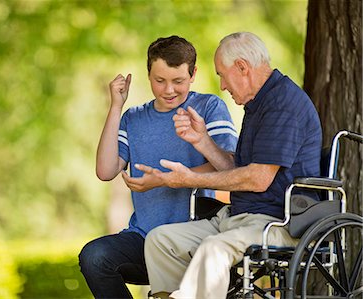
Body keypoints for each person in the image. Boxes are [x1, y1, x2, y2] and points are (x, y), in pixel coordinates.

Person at [122, 32, 322, 298]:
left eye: (222, 75)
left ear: (242, 67)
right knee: (160, 240)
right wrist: (203, 141)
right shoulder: (257, 104)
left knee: (214, 249)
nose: (223, 85)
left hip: (279, 223)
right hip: (238, 217)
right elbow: (236, 169)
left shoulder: (282, 104)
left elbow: (257, 179)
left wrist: (187, 179)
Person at [78, 35, 238, 298]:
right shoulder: (134, 118)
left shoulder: (208, 107)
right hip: (143, 237)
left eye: (178, 81)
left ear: (193, 74)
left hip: (196, 239)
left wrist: (165, 179)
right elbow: (106, 171)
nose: (169, 90)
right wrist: (116, 107)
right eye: (159, 80)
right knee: (94, 257)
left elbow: (229, 166)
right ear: (148, 73)